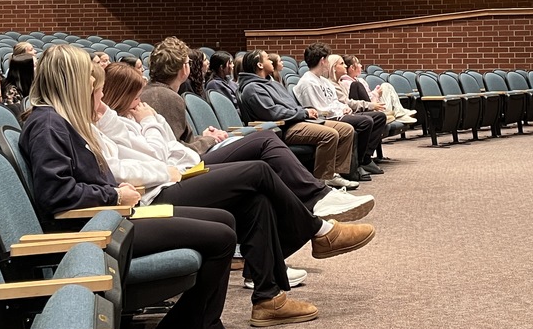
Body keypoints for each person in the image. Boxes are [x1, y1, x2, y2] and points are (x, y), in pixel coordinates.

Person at [18, 45, 249, 329]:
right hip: (95, 231)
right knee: (221, 236)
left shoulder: (59, 121)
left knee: (224, 220)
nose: (101, 104)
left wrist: (116, 189)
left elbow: (80, 180)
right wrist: (114, 194)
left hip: (110, 217)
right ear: (75, 88)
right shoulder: (47, 125)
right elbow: (57, 195)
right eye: (96, 93)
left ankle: (190, 327)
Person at [103, 62, 373, 222]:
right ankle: (318, 205)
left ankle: (271, 282)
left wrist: (161, 126)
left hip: (185, 165)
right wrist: (154, 123)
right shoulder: (128, 119)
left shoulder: (136, 114)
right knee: (261, 158)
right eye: (136, 96)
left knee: (262, 157)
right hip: (168, 183)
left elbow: (173, 147)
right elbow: (161, 157)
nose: (141, 102)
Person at [142, 38, 367, 205]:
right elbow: (172, 153)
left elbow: (175, 141)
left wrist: (204, 137)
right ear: (184, 68)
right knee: (265, 141)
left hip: (192, 156)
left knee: (265, 150)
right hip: (186, 167)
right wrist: (207, 140)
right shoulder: (165, 97)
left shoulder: (158, 93)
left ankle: (317, 195)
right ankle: (318, 195)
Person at [237, 50, 359, 189]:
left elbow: (289, 107)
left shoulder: (270, 83)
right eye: (267, 59)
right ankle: (322, 180)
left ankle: (334, 174)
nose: (271, 61)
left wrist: (304, 111)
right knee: (330, 135)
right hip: (283, 127)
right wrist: (303, 113)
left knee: (346, 129)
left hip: (295, 120)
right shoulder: (253, 88)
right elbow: (273, 113)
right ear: (259, 65)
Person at [294, 44, 382, 180]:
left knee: (375, 118)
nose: (328, 62)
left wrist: (343, 108)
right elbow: (318, 109)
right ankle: (353, 167)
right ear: (323, 60)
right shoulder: (307, 82)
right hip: (324, 119)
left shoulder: (324, 81)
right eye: (328, 58)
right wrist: (340, 110)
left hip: (337, 114)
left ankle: (359, 162)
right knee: (365, 121)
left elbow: (334, 102)